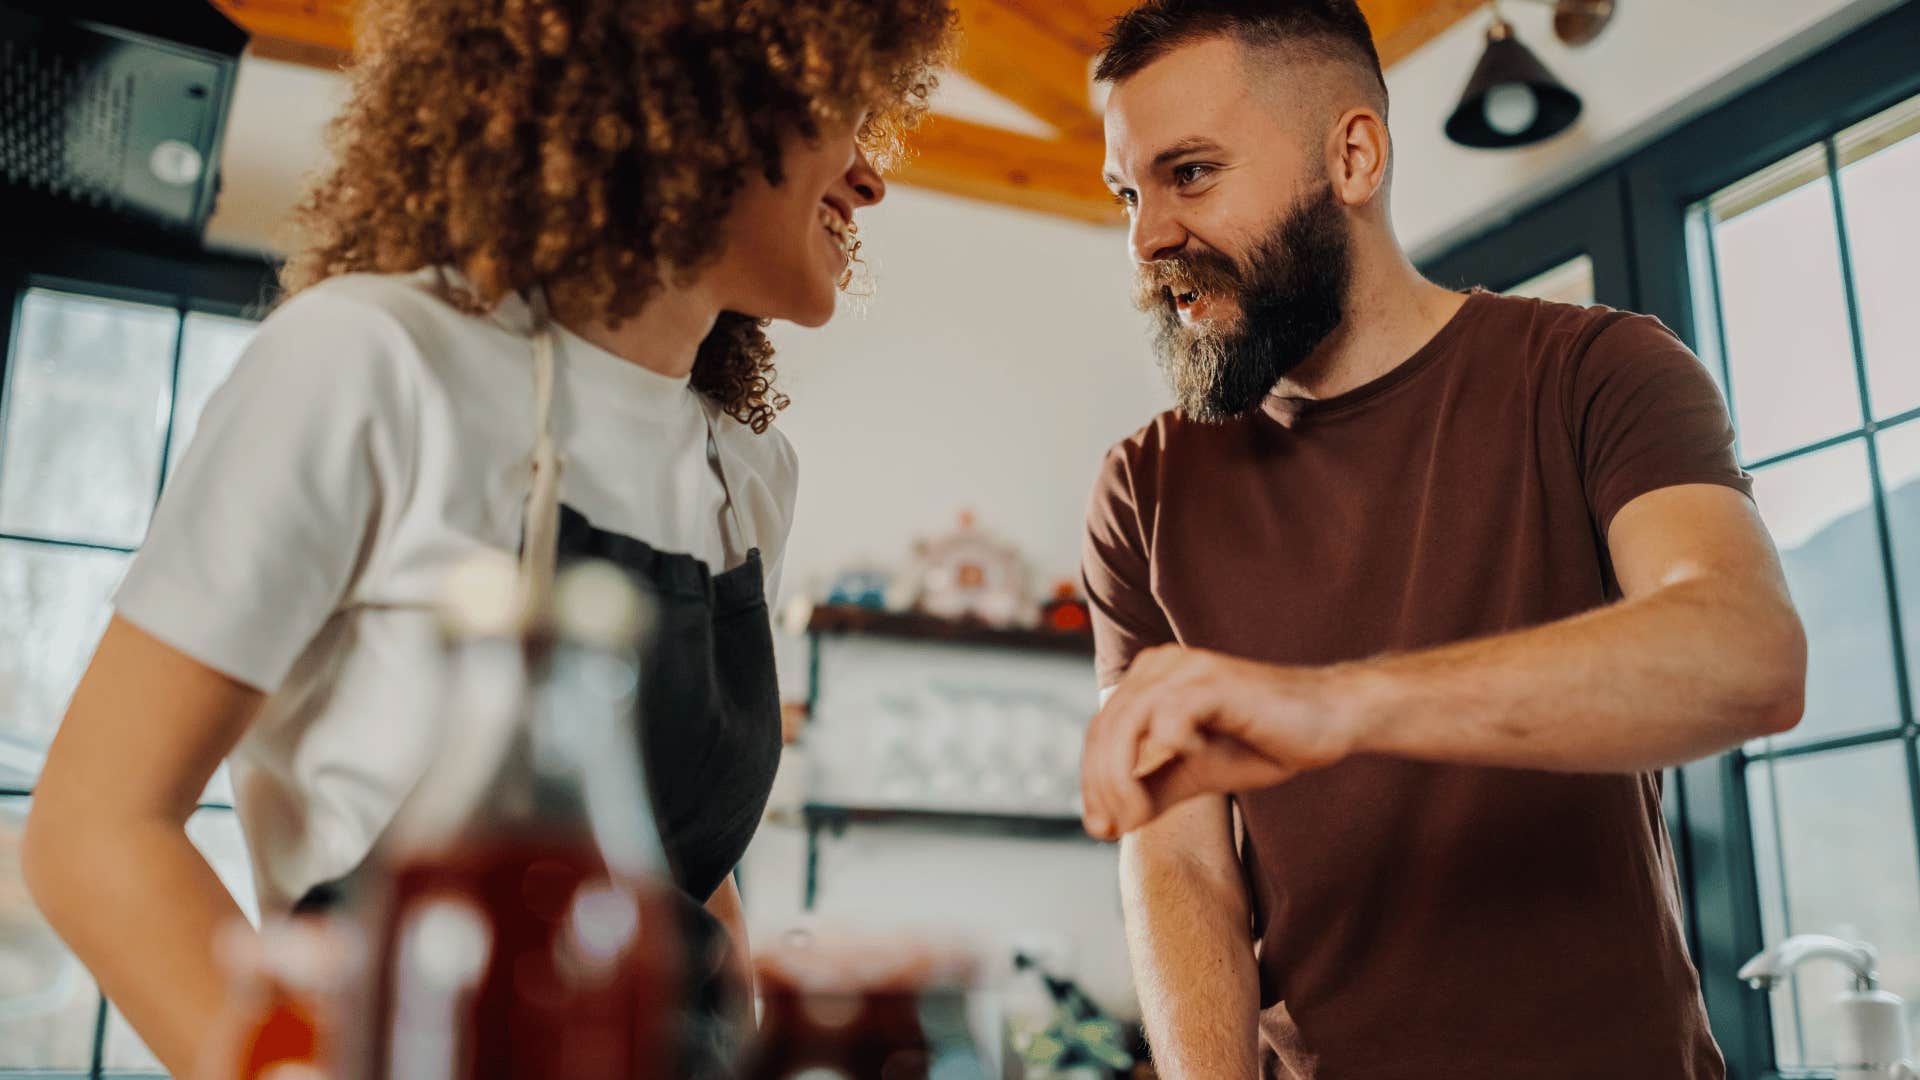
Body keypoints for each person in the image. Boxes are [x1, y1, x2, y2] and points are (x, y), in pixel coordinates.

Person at [22, 1, 952, 1075]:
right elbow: (95, 832)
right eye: (838, 106)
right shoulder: (374, 363)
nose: (871, 174)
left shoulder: (747, 473)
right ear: (685, 89)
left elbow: (690, 885)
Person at [1075, 2, 1807, 1077]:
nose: (1146, 239)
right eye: (1128, 193)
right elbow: (1177, 861)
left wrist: (1336, 705)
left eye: (1190, 174)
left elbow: (1748, 652)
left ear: (1355, 156)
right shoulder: (1141, 490)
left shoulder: (1598, 374)